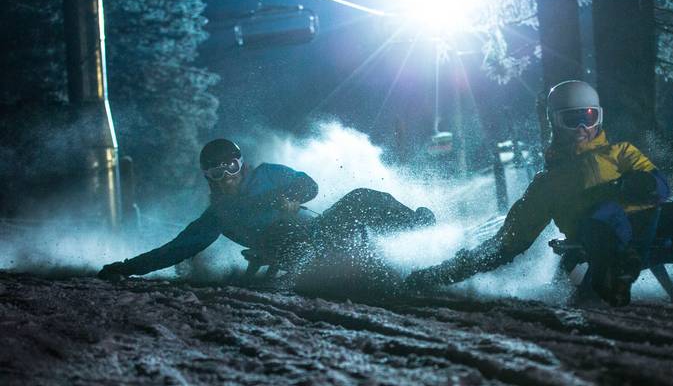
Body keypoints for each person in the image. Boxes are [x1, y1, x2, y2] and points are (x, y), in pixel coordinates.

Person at [405, 80, 673, 305]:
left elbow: (658, 185)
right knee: (604, 217)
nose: (582, 127)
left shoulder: (621, 152)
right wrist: (441, 273)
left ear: (599, 117)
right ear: (554, 122)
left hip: (653, 222)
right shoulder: (547, 184)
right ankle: (614, 273)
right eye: (571, 118)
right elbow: (507, 243)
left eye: (588, 116)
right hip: (599, 235)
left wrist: (638, 183)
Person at [98, 138, 435, 281]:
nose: (228, 177)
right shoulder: (219, 215)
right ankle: (323, 272)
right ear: (208, 178)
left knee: (361, 197)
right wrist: (127, 268)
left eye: (231, 167)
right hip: (288, 250)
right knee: (281, 233)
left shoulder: (267, 175)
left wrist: (292, 197)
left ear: (240, 163)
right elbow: (178, 249)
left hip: (319, 232)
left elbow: (309, 185)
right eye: (217, 173)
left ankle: (417, 229)